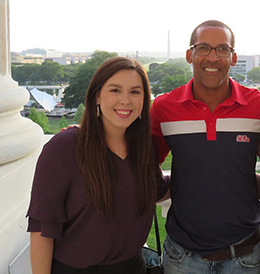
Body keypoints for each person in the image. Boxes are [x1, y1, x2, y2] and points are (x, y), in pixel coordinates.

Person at [27, 57, 169, 274]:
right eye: (115, 90)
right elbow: (41, 229)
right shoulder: (64, 148)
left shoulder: (143, 148)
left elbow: (158, 188)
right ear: (97, 96)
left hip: (133, 268)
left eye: (135, 92)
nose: (125, 100)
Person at [150, 20, 260, 274]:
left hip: (246, 257)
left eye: (222, 49)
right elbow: (137, 161)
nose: (213, 57)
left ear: (233, 57)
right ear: (190, 54)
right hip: (181, 257)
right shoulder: (163, 108)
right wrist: (87, 130)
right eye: (203, 48)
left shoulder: (259, 106)